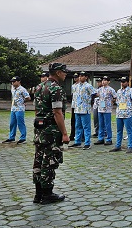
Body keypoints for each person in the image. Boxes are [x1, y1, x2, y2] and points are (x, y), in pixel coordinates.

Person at [32, 62, 69, 204]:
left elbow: (36, 110)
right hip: (51, 131)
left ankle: (38, 194)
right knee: (49, 161)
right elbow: (57, 112)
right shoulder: (56, 89)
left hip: (39, 130)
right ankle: (47, 194)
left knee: (39, 160)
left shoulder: (39, 87)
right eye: (64, 72)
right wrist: (64, 133)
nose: (66, 74)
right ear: (58, 72)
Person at [68, 71, 97, 150]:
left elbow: (95, 93)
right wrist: (73, 106)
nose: (80, 77)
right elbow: (74, 97)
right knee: (78, 126)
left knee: (86, 127)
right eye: (80, 76)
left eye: (82, 76)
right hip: (77, 109)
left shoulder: (88, 86)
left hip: (85, 109)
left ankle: (87, 143)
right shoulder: (75, 86)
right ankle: (77, 141)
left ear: (86, 77)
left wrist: (90, 100)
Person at [110, 77, 132, 153]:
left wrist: (129, 107)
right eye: (121, 82)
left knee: (129, 131)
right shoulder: (118, 91)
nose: (122, 83)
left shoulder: (131, 91)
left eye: (124, 82)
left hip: (127, 114)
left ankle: (130, 146)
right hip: (119, 113)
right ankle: (118, 145)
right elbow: (117, 101)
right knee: (119, 131)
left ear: (127, 82)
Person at [2, 76, 31, 144]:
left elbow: (28, 98)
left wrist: (23, 101)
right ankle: (11, 137)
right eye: (12, 82)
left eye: (14, 82)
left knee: (20, 123)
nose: (13, 83)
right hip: (13, 108)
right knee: (12, 123)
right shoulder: (13, 88)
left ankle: (23, 138)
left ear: (19, 82)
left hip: (20, 109)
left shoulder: (22, 89)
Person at [94, 76, 116, 146]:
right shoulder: (100, 89)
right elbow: (95, 95)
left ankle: (109, 139)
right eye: (103, 80)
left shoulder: (111, 89)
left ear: (109, 82)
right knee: (101, 124)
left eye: (106, 80)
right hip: (100, 108)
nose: (103, 81)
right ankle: (100, 138)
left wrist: (111, 103)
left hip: (107, 109)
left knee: (107, 124)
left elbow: (115, 97)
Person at [70, 72, 80, 142]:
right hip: (74, 105)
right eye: (74, 77)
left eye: (76, 77)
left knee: (80, 122)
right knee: (73, 121)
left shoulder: (81, 85)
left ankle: (81, 136)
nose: (75, 78)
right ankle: (72, 134)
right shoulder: (73, 86)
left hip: (80, 105)